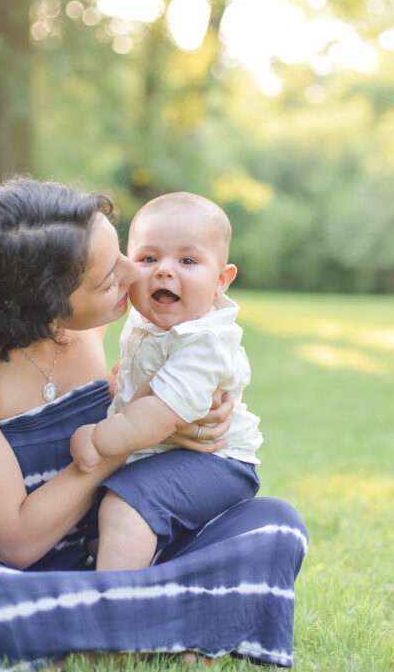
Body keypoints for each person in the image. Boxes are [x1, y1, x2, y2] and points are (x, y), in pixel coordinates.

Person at [0, 177, 308, 672]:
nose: (136, 272)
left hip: (111, 557)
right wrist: (132, 436)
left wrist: (200, 415)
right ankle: (141, 629)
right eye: (111, 276)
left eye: (121, 255)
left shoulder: (89, 322)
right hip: (0, 572)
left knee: (275, 526)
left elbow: (184, 364)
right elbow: (18, 542)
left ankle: (30, 638)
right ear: (43, 302)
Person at [71, 192, 263, 572]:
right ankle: (154, 577)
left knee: (126, 508)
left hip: (216, 462)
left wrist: (97, 438)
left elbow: (160, 415)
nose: (164, 270)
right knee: (93, 525)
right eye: (148, 258)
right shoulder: (147, 321)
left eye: (188, 261)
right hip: (165, 455)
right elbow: (137, 377)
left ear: (221, 281)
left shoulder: (205, 340)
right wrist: (118, 384)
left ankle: (112, 606)